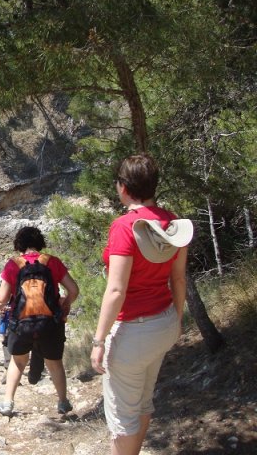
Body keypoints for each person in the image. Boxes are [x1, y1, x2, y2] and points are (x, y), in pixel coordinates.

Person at [90, 153, 192, 455]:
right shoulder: (173, 222)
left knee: (123, 419)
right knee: (143, 402)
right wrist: (177, 320)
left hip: (132, 332)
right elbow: (179, 280)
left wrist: (98, 340)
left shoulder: (124, 227)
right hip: (164, 322)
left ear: (123, 187)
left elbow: (116, 290)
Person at [0, 226, 79, 417]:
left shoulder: (13, 264)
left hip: (21, 324)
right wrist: (65, 305)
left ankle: (8, 403)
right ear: (40, 242)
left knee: (18, 362)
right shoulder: (52, 262)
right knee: (55, 363)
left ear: (19, 244)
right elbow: (74, 289)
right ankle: (62, 402)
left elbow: (2, 298)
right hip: (50, 323)